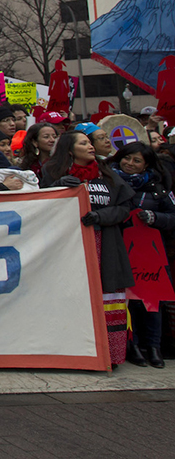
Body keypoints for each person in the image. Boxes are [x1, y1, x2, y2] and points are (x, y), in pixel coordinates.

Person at [43, 130, 137, 367]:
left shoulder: (108, 175)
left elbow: (125, 208)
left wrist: (100, 216)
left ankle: (112, 357)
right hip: (70, 248)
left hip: (106, 246)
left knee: (109, 302)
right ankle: (74, 354)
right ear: (70, 149)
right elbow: (40, 205)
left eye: (89, 142)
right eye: (83, 143)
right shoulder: (52, 173)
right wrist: (56, 186)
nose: (90, 146)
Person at [109, 142, 175, 368]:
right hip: (120, 251)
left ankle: (154, 347)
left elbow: (172, 216)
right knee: (128, 301)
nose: (130, 164)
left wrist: (155, 218)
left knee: (151, 302)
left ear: (146, 164)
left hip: (151, 256)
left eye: (137, 161)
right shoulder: (109, 182)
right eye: (127, 159)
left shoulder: (159, 189)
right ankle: (132, 345)